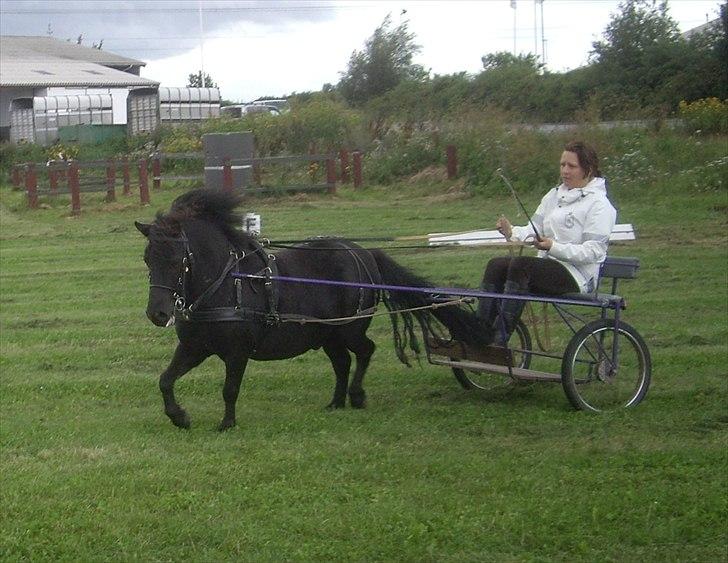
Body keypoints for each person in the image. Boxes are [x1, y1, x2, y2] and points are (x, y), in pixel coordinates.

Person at [478, 141, 617, 346]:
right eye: (562, 165)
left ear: (588, 170)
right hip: (545, 267)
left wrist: (553, 247)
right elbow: (532, 230)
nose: (565, 171)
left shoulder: (599, 205)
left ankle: (499, 339)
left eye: (571, 166)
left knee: (521, 265)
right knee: (496, 265)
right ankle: (479, 332)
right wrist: (511, 232)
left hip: (578, 275)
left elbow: (594, 252)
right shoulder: (553, 196)